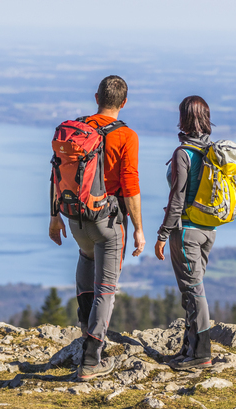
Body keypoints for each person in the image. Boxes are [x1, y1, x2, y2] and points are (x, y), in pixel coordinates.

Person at [49, 75, 146, 379]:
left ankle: (85, 334)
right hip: (108, 221)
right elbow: (130, 186)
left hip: (75, 218)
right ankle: (92, 360)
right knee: (106, 288)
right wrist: (139, 229)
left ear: (96, 98)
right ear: (124, 102)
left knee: (86, 264)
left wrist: (54, 217)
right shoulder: (127, 136)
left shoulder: (78, 129)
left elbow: (56, 173)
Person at [154, 95, 216, 370]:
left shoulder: (184, 153)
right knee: (192, 290)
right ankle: (190, 348)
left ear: (183, 119)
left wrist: (163, 234)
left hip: (186, 231)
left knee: (193, 290)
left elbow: (177, 199)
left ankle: (201, 353)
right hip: (208, 231)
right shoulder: (212, 151)